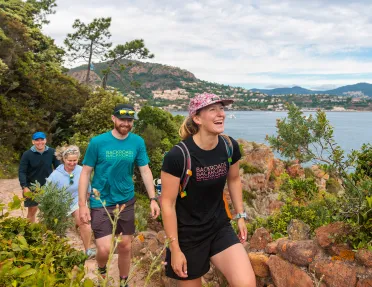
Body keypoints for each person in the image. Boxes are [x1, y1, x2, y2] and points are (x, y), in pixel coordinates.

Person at [161, 93, 256, 287]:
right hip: (187, 235)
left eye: (221, 108)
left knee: (246, 283)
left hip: (218, 227)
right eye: (212, 109)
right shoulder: (178, 156)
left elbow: (234, 179)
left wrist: (240, 215)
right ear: (197, 118)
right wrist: (175, 248)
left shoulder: (229, 146)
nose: (220, 113)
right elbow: (167, 204)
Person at [78, 103, 161, 286]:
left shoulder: (137, 142)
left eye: (129, 120)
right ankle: (101, 269)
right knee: (104, 248)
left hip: (126, 201)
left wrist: (153, 199)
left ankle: (123, 282)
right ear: (113, 118)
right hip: (100, 201)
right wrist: (82, 204)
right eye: (122, 119)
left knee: (125, 245)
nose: (126, 123)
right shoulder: (98, 142)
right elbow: (85, 172)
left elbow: (145, 170)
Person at [46, 145, 96, 258]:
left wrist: (84, 203)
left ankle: (88, 250)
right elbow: (47, 193)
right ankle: (56, 250)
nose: (72, 163)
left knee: (84, 222)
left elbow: (87, 188)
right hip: (59, 203)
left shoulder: (82, 170)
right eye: (69, 160)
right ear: (64, 159)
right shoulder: (55, 175)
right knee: (57, 227)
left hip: (76, 201)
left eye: (75, 160)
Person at [18, 131, 60, 222]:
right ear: (33, 142)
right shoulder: (27, 154)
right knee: (32, 210)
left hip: (48, 186)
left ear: (45, 140)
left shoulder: (52, 152)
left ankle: (49, 233)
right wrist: (24, 187)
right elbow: (22, 171)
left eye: (42, 140)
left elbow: (59, 168)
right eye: (37, 140)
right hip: (32, 186)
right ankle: (30, 232)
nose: (40, 142)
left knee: (49, 211)